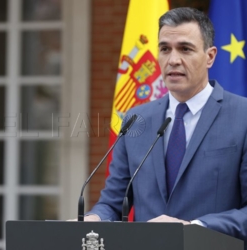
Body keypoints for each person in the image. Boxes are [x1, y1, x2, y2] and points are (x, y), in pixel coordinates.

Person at [84, 7, 247, 247]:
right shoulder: (136, 118)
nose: (173, 60)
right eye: (164, 49)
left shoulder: (242, 115)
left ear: (210, 56)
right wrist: (92, 219)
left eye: (185, 49)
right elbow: (113, 202)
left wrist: (194, 228)